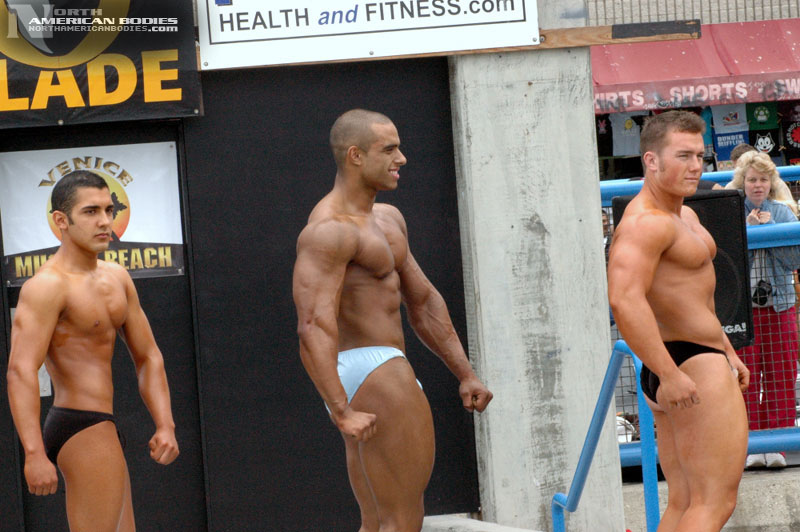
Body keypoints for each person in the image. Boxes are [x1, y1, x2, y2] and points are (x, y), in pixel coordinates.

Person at [292, 109, 492, 532]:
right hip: (378, 373)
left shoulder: (387, 220)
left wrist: (465, 373)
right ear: (356, 156)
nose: (401, 158)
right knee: (403, 521)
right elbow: (312, 325)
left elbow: (423, 300)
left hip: (371, 372)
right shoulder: (330, 229)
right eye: (389, 149)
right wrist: (341, 409)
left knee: (379, 522)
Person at [6, 170, 179, 532]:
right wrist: (33, 453)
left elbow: (148, 356)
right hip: (81, 425)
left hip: (102, 425)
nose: (104, 221)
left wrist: (165, 423)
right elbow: (20, 371)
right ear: (61, 220)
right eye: (90, 211)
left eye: (109, 210)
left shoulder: (117, 277)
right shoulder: (47, 286)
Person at [608, 110, 749, 532]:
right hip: (685, 366)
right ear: (651, 161)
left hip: (688, 359)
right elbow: (624, 300)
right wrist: (668, 373)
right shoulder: (645, 223)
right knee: (714, 502)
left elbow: (695, 300)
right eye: (683, 156)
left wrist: (727, 350)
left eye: (699, 156)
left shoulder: (684, 216)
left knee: (686, 500)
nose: (695, 167)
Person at [727, 150, 800, 469]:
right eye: (752, 179)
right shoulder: (731, 213)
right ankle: (750, 445)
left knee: (781, 376)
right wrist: (747, 230)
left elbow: (795, 261)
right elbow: (726, 263)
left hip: (779, 307)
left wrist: (770, 237)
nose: (758, 185)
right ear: (742, 182)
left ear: (772, 183)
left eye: (763, 180)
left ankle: (778, 446)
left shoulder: (784, 213)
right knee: (744, 379)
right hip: (743, 311)